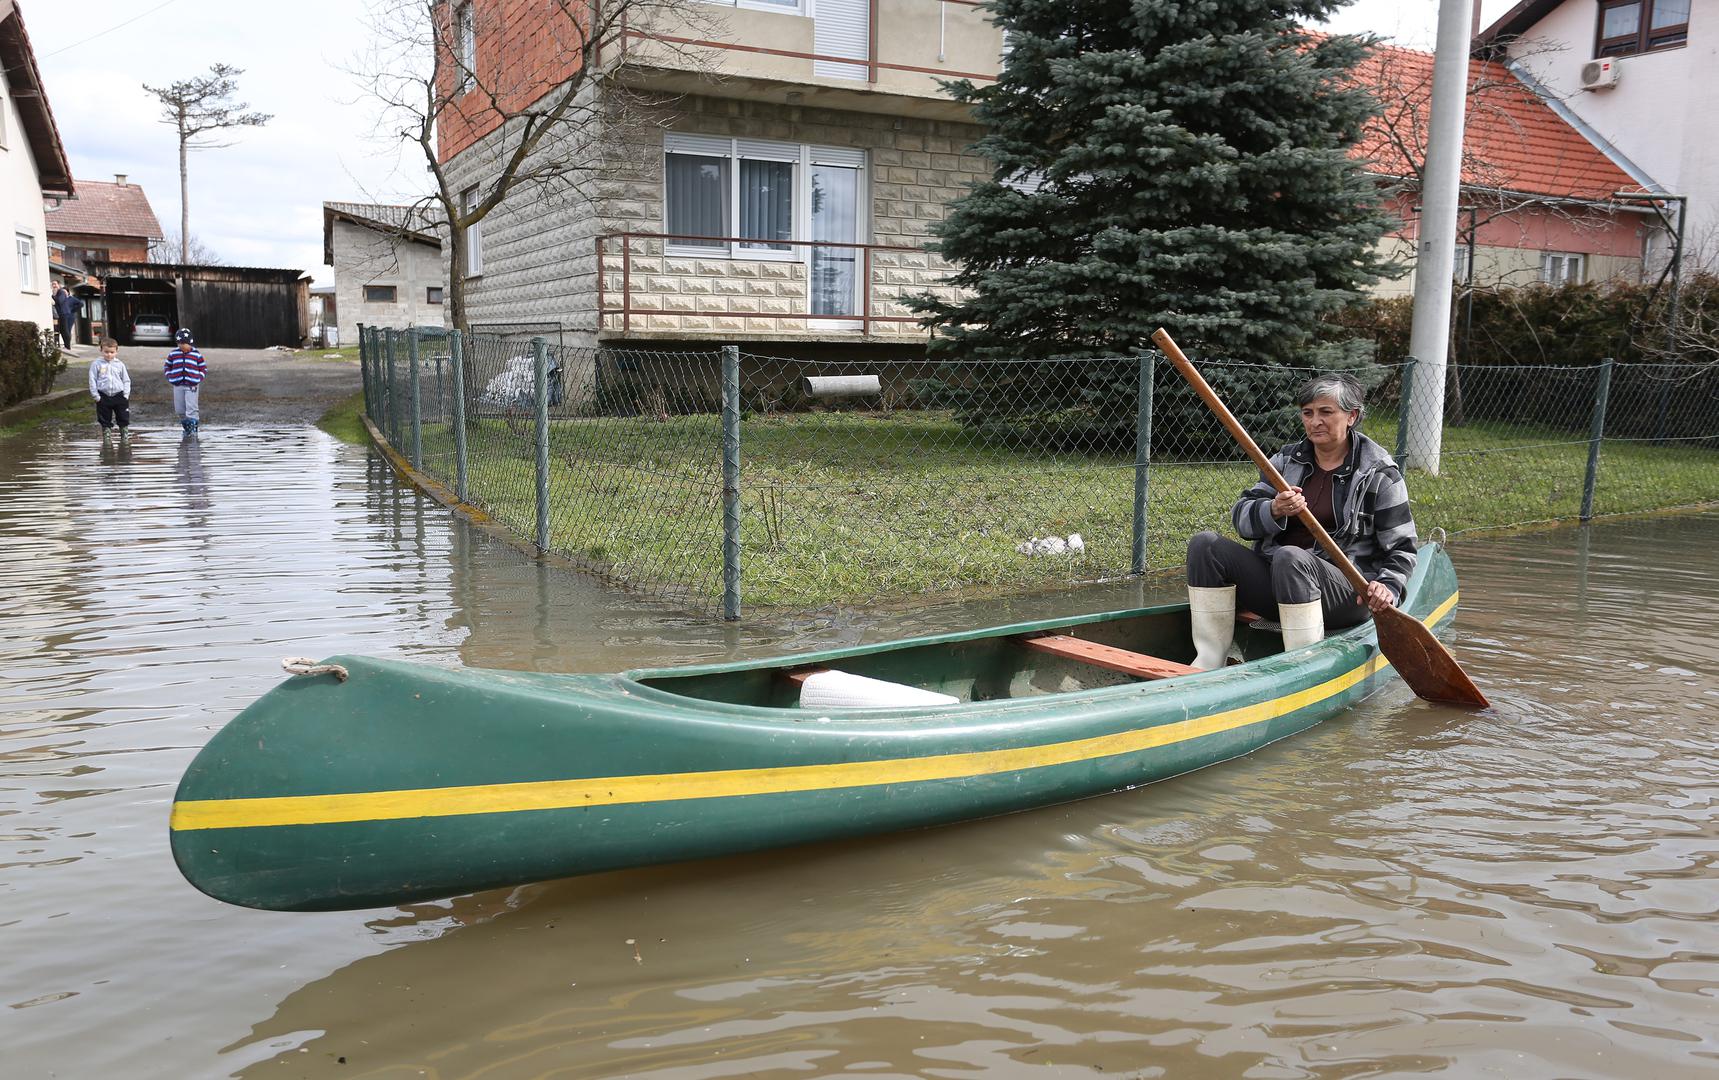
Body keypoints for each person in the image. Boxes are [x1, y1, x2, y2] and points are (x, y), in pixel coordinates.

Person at [1184, 372, 1417, 669]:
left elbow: (1403, 548)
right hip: (1277, 586)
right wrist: (1274, 509)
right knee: (1205, 545)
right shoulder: (1286, 461)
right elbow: (1242, 519)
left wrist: (1388, 586)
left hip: (1344, 595)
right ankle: (1208, 660)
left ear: (1352, 416)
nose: (1314, 421)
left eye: (1326, 412)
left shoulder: (1379, 473)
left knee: (1291, 557)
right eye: (1308, 413)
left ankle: (1303, 666)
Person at [164, 328, 207, 434]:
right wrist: (170, 376)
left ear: (190, 343)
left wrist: (198, 378)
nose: (182, 346)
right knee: (180, 409)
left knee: (191, 408)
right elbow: (167, 366)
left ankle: (192, 429)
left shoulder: (196, 354)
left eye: (184, 344)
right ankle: (186, 427)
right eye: (179, 344)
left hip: (192, 385)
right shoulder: (173, 354)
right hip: (177, 384)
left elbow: (203, 368)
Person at [88, 337, 131, 438]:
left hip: (119, 395)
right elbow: (92, 380)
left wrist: (126, 394)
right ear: (101, 350)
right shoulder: (96, 364)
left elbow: (126, 380)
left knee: (123, 416)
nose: (109, 354)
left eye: (112, 352)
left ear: (116, 351)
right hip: (103, 395)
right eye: (106, 352)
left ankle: (124, 434)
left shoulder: (120, 365)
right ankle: (107, 436)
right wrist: (96, 396)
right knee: (104, 417)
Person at [52, 283, 83, 349]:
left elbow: (81, 304)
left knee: (67, 330)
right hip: (63, 315)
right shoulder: (63, 299)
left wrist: (73, 310)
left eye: (65, 292)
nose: (63, 293)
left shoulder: (71, 298)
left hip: (70, 316)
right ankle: (66, 345)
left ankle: (68, 346)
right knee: (63, 330)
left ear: (68, 292)